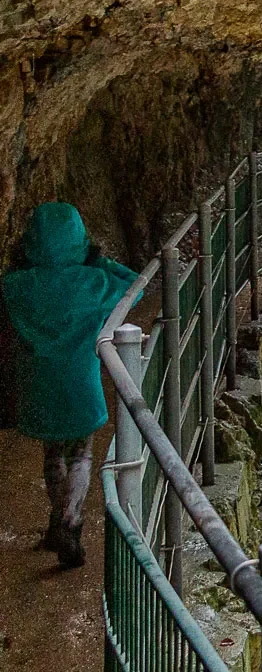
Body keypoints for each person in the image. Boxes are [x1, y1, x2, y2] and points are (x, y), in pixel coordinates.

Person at [4, 202, 141, 569]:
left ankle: (55, 522)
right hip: (82, 387)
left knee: (53, 454)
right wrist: (96, 260)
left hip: (39, 388)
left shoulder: (18, 285)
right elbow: (135, 286)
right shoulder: (93, 282)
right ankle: (71, 520)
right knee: (81, 454)